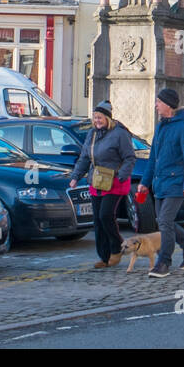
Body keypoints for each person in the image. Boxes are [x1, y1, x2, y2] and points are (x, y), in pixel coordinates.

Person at [69, 101, 136, 269]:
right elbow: (84, 157)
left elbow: (129, 157)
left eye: (100, 117)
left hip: (115, 181)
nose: (97, 121)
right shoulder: (92, 134)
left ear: (107, 118)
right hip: (97, 180)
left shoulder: (120, 134)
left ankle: (117, 246)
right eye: (95, 118)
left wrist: (122, 175)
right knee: (98, 220)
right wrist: (75, 177)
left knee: (106, 215)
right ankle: (104, 257)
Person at [140, 88, 184, 278]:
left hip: (177, 183)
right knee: (164, 222)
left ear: (168, 105)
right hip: (160, 183)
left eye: (158, 102)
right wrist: (144, 182)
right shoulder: (160, 126)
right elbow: (153, 158)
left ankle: (164, 262)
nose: (156, 105)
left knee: (164, 221)